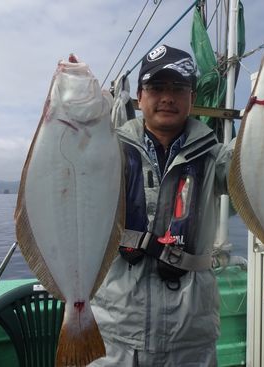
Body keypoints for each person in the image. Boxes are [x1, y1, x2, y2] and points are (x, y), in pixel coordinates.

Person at [90, 44, 235, 367]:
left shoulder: (217, 157)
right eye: (156, 87)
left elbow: (256, 172)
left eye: (178, 88)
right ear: (139, 97)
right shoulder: (104, 151)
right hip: (115, 335)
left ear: (192, 98)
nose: (167, 97)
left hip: (190, 336)